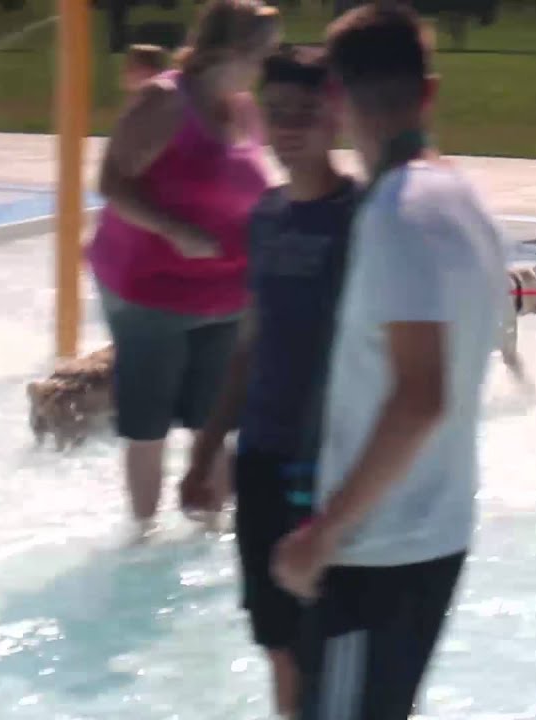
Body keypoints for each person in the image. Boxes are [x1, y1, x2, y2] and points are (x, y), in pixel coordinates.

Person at [271, 5, 509, 719]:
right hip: (431, 531)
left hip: (379, 548)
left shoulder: (400, 216)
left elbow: (419, 397)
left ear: (336, 99)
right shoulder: (465, 202)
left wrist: (325, 534)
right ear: (429, 92)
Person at [180, 43, 358, 720]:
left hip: (329, 468)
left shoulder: (361, 218)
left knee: (332, 641)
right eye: (276, 112)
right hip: (259, 459)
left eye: (304, 112)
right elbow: (251, 340)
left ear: (336, 115)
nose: (288, 127)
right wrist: (204, 453)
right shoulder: (268, 215)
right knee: (277, 640)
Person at [86, 0, 280, 542]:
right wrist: (174, 230)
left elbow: (253, 187)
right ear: (228, 50)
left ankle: (212, 536)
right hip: (150, 292)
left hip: (226, 292)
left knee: (214, 421)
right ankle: (143, 539)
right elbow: (112, 182)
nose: (267, 64)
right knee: (148, 424)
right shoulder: (165, 101)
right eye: (261, 52)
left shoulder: (243, 108)